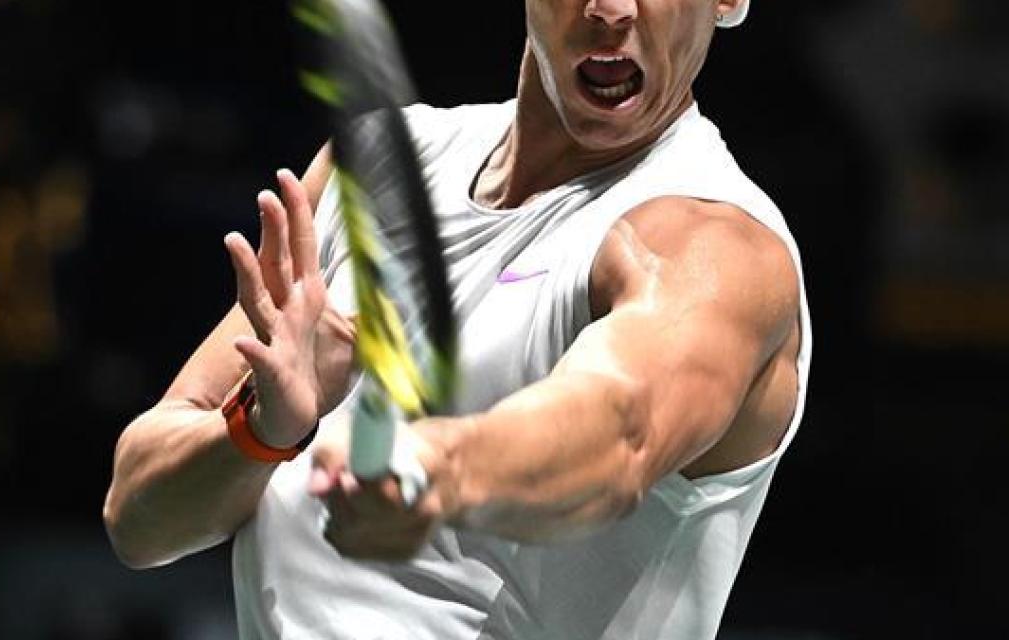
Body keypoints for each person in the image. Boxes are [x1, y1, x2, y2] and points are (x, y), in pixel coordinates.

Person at [104, 0, 810, 637]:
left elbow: (621, 432)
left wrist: (434, 470)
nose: (610, 8)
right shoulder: (377, 168)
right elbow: (136, 517)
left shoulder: (718, 250)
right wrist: (259, 429)